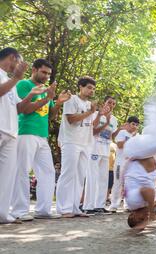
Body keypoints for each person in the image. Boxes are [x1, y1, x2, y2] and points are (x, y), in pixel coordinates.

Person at [11, 59, 71, 221]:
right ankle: (19, 211)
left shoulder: (45, 89)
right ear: (34, 70)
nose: (46, 76)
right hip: (26, 132)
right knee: (22, 171)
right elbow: (24, 109)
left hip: (42, 135)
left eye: (49, 74)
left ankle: (43, 210)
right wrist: (46, 99)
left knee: (48, 172)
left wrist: (57, 103)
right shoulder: (24, 85)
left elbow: (50, 116)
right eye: (43, 72)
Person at [0, 47, 50, 224]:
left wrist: (33, 95)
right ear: (12, 58)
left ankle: (3, 214)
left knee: (7, 175)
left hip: (10, 132)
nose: (20, 67)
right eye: (19, 62)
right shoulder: (9, 78)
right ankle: (15, 210)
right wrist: (17, 79)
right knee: (16, 172)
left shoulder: (9, 79)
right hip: (4, 129)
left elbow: (19, 108)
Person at [55, 76, 101, 218]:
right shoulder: (72, 99)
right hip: (70, 141)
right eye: (89, 87)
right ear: (80, 86)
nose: (91, 91)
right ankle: (64, 208)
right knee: (68, 174)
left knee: (80, 175)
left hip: (85, 143)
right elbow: (71, 119)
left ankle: (75, 207)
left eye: (93, 89)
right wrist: (90, 112)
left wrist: (97, 114)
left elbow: (90, 125)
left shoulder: (90, 105)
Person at [123, 135, 156, 231]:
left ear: (132, 215)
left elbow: (147, 191)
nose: (146, 216)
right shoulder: (153, 202)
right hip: (144, 166)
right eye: (146, 219)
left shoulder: (133, 203)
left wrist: (152, 211)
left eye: (141, 218)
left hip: (138, 165)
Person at [83, 96, 119, 215]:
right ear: (104, 102)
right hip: (94, 149)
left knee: (103, 179)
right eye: (109, 102)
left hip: (105, 151)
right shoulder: (96, 114)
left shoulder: (114, 119)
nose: (111, 105)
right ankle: (88, 206)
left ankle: (99, 205)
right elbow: (93, 131)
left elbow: (111, 136)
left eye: (113, 103)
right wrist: (105, 121)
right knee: (92, 178)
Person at [109, 116, 140, 212]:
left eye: (136, 125)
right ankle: (114, 205)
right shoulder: (122, 132)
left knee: (129, 184)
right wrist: (132, 140)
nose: (134, 126)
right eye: (133, 124)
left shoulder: (136, 136)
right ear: (128, 124)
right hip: (120, 162)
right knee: (118, 182)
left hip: (130, 164)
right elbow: (119, 145)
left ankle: (128, 205)